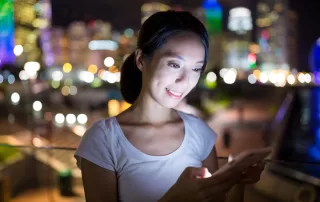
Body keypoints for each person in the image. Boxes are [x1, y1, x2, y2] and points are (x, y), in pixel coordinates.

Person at [74, 11, 264, 202]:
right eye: (174, 64)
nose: (184, 81)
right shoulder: (104, 139)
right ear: (141, 60)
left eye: (196, 69)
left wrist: (237, 182)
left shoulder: (199, 133)